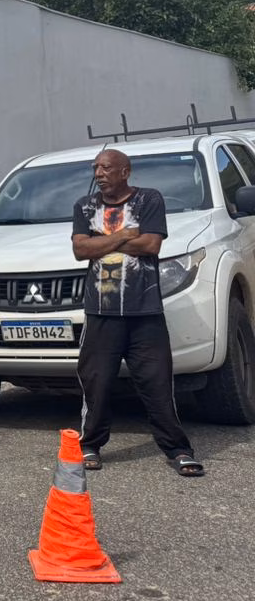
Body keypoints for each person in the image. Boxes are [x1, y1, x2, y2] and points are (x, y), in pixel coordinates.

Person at [71, 149, 203, 476]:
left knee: (157, 383)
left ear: (125, 171)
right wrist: (124, 235)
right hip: (101, 312)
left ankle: (177, 449)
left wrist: (102, 241)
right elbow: (79, 249)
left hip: (144, 311)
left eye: (106, 168)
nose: (99, 173)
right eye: (95, 168)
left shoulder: (149, 200)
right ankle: (90, 446)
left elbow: (151, 245)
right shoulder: (84, 206)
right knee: (96, 382)